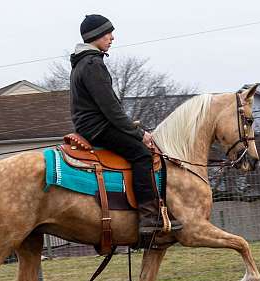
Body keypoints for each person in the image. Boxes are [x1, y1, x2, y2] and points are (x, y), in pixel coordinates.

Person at [69, 14, 182, 245]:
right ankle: (149, 218)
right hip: (98, 128)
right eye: (108, 33)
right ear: (95, 36)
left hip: (93, 125)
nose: (112, 37)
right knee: (141, 154)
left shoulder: (84, 62)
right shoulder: (92, 64)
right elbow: (111, 109)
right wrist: (138, 134)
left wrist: (131, 126)